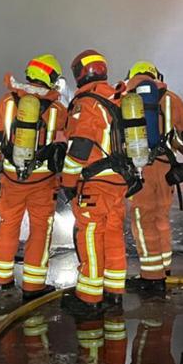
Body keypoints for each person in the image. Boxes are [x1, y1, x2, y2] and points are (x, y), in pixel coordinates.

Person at [0, 54, 68, 299]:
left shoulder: (7, 102)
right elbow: (73, 131)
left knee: (8, 226)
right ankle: (33, 286)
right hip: (43, 182)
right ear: (51, 78)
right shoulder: (56, 109)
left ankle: (2, 280)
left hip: (11, 178)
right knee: (40, 230)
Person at [59, 49, 136, 315]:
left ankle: (89, 298)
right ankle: (114, 293)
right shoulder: (117, 98)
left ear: (80, 73)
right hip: (119, 181)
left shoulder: (87, 103)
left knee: (90, 235)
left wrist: (67, 182)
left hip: (94, 183)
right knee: (114, 235)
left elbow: (80, 147)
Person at [120, 61, 183, 296]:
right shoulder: (170, 98)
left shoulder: (124, 98)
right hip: (165, 169)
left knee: (143, 223)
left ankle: (151, 278)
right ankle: (164, 269)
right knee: (161, 218)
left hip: (139, 169)